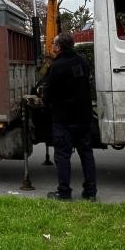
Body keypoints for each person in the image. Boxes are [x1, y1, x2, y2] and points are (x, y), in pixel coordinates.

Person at [43, 33, 97, 201]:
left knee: (63, 156)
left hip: (63, 118)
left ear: (58, 47)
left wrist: (47, 103)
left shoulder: (56, 66)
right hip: (83, 116)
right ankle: (90, 192)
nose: (51, 46)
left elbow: (49, 93)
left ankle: (64, 192)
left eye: (53, 43)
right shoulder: (82, 61)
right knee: (86, 154)